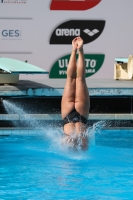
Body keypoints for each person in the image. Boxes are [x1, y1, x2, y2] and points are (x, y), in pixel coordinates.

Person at [61, 37, 90, 149]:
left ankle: (78, 50)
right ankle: (75, 50)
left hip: (80, 117)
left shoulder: (80, 148)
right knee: (72, 78)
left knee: (79, 78)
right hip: (68, 119)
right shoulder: (82, 148)